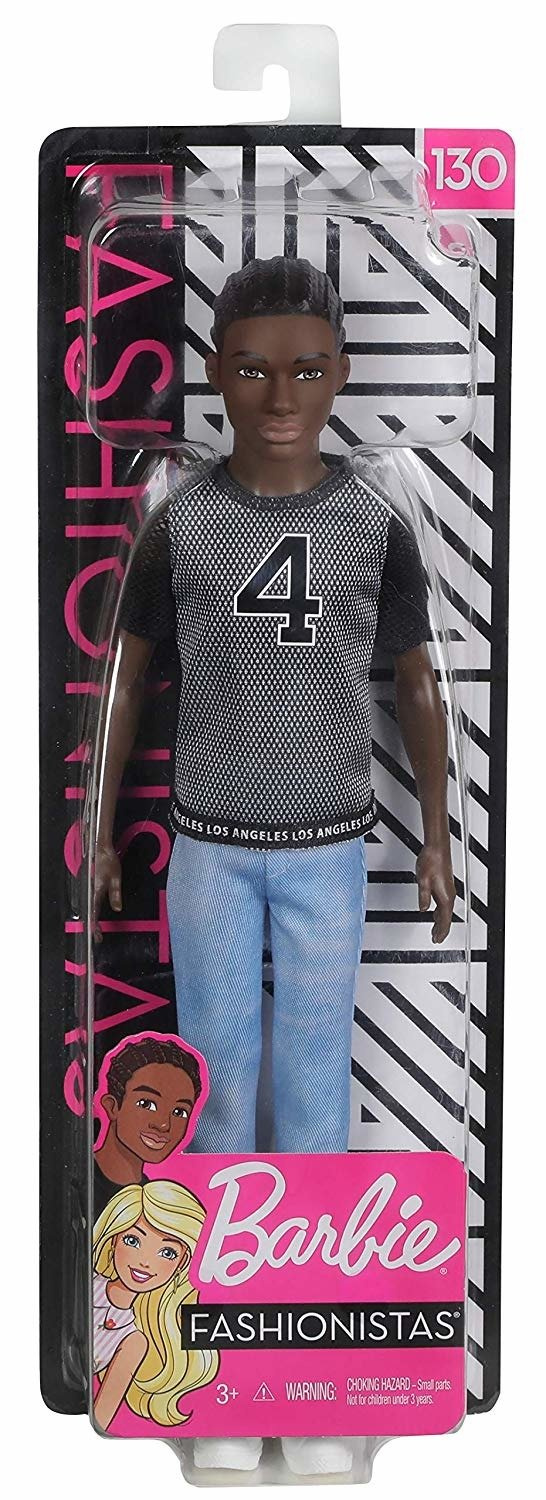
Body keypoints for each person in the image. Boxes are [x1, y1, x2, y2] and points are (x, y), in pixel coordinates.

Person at [94, 255, 455, 1473]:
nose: (280, 395)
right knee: (209, 1100)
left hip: (327, 851)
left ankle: (308, 1378)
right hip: (208, 847)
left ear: (342, 372)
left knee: (309, 1103)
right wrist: (100, 828)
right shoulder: (185, 519)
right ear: (214, 374)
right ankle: (214, 1379)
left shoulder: (372, 521)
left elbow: (416, 681)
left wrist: (440, 832)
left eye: (306, 369)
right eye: (251, 369)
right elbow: (127, 677)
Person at [92, 1179, 218, 1432]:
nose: (145, 1262)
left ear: (183, 1263)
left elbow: (100, 1418)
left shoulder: (134, 1342)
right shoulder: (85, 1285)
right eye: (132, 1240)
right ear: (113, 1240)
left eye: (167, 1252)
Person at [93, 1034, 205, 1219]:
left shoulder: (156, 1204)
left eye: (179, 1112)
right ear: (112, 1106)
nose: (163, 1124)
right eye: (146, 1104)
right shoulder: (76, 1180)